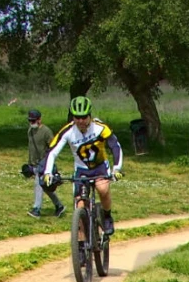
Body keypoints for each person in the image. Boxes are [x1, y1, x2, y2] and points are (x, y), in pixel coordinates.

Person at [41, 95, 121, 234]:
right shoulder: (68, 131)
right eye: (77, 117)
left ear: (90, 115)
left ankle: (107, 216)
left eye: (84, 117)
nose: (81, 121)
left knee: (102, 189)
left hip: (100, 167)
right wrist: (48, 172)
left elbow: (115, 147)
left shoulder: (100, 128)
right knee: (80, 205)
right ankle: (82, 247)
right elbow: (52, 152)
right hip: (81, 170)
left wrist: (116, 169)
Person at [24, 108, 63, 217]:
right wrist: (30, 164)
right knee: (44, 186)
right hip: (35, 164)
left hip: (44, 164)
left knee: (38, 184)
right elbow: (30, 148)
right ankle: (59, 206)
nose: (32, 123)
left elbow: (53, 147)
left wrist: (49, 163)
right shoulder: (30, 131)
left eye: (34, 121)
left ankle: (36, 209)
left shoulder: (46, 131)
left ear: (39, 120)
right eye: (30, 121)